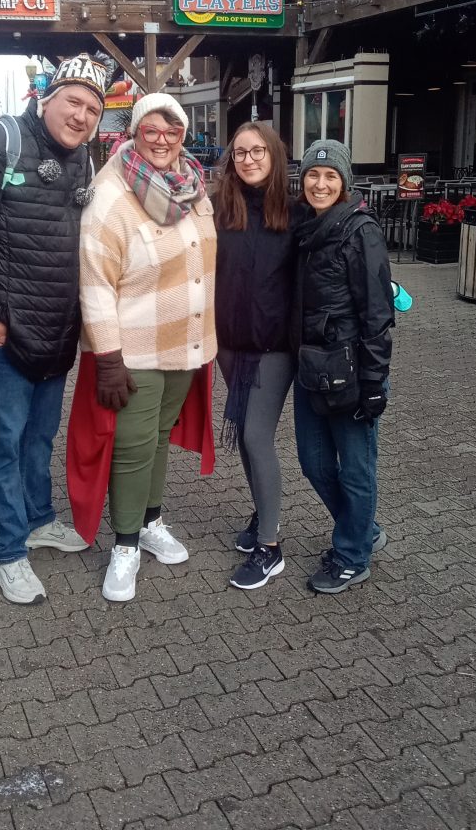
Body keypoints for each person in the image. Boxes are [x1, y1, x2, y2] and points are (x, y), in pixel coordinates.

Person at [0, 54, 107, 605]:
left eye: (92, 110)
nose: (81, 116)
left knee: (38, 439)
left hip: (54, 336)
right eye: (73, 101)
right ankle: (7, 553)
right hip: (4, 338)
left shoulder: (83, 161)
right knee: (1, 447)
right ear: (45, 98)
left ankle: (37, 519)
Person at [79, 92, 216, 603]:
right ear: (135, 133)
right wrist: (107, 358)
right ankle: (125, 544)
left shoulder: (193, 184)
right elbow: (95, 282)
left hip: (184, 342)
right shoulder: (111, 192)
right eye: (151, 130)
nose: (162, 140)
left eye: (172, 131)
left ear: (183, 135)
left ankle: (151, 521)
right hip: (133, 349)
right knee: (133, 447)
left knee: (158, 438)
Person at [292, 141, 394, 595]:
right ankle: (364, 529)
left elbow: (377, 312)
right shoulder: (305, 229)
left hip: (351, 370)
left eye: (330, 176)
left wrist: (373, 381)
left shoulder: (360, 231)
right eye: (313, 175)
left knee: (355, 470)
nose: (320, 184)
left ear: (344, 182)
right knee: (314, 462)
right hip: (312, 366)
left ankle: (352, 556)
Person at [213, 122, 297, 590]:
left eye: (257, 151)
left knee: (255, 435)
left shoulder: (296, 213)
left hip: (274, 346)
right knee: (246, 439)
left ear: (274, 155)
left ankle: (270, 546)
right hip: (229, 343)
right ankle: (263, 514)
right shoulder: (218, 209)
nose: (248, 159)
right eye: (240, 152)